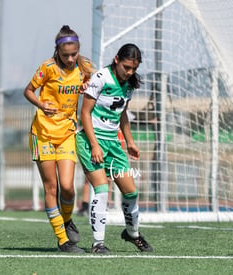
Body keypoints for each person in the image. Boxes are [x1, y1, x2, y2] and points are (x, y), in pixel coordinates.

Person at [76, 43, 153, 254]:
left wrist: (130, 142)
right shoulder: (101, 78)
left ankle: (132, 233)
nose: (129, 72)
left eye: (133, 69)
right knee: (101, 189)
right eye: (126, 67)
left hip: (113, 144)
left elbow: (123, 114)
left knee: (131, 192)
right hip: (90, 141)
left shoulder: (129, 85)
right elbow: (85, 113)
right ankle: (97, 243)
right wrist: (94, 145)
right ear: (117, 59)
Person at [24, 25, 94, 253]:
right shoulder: (48, 68)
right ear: (57, 51)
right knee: (52, 186)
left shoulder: (84, 66)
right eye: (66, 55)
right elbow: (28, 91)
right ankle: (63, 240)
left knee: (68, 187)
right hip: (43, 134)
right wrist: (41, 104)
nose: (71, 59)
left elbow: (94, 84)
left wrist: (87, 85)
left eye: (74, 54)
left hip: (66, 134)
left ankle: (66, 220)